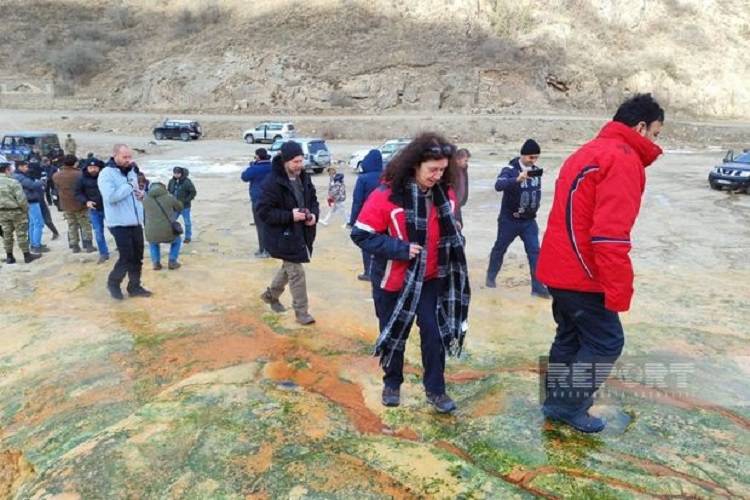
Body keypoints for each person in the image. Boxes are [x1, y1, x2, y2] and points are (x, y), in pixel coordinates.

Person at [538, 93, 665, 433]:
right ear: (640, 126)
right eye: (655, 133)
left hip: (558, 268)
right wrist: (618, 291)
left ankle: (555, 401)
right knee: (606, 341)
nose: (655, 141)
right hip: (582, 273)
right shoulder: (621, 158)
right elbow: (610, 236)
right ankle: (567, 407)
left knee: (570, 336)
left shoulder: (586, 151)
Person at [351, 133, 471, 413]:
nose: (438, 176)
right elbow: (361, 235)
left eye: (443, 170)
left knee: (435, 334)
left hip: (430, 279)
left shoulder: (447, 195)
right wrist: (399, 248)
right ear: (415, 165)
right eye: (432, 170)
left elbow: (453, 223)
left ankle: (436, 390)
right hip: (393, 281)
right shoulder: (386, 197)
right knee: (394, 334)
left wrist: (456, 235)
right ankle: (392, 383)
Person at [256, 141, 319, 325]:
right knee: (296, 272)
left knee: (289, 267)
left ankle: (270, 295)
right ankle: (302, 313)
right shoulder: (272, 182)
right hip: (282, 235)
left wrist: (313, 214)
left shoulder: (304, 177)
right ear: (285, 161)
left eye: (301, 161)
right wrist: (290, 216)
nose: (300, 165)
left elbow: (313, 199)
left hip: (301, 233)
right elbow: (263, 212)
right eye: (295, 162)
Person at [485, 139, 549, 298]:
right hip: (509, 220)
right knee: (500, 248)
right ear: (523, 155)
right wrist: (517, 179)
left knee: (535, 252)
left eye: (536, 158)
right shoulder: (509, 169)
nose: (533, 161)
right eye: (530, 157)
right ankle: (490, 277)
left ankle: (538, 288)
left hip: (528, 221)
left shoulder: (535, 170)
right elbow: (498, 186)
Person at [98, 144, 151, 300]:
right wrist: (129, 186)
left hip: (135, 221)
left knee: (138, 257)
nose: (129, 160)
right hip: (119, 223)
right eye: (125, 157)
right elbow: (111, 197)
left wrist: (141, 195)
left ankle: (134, 286)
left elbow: (134, 192)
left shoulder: (132, 171)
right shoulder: (106, 174)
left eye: (130, 157)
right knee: (126, 257)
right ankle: (113, 283)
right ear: (115, 156)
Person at [348, 149, 383, 281]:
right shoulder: (386, 176)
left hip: (366, 218)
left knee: (366, 245)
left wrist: (352, 221)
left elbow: (357, 201)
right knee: (381, 244)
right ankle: (380, 271)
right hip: (384, 217)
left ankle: (368, 272)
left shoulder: (363, 178)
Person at [0, 162, 41, 264]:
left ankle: (10, 257)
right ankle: (27, 256)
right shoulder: (13, 182)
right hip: (16, 211)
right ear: (7, 170)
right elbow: (21, 199)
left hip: (2, 213)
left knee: (6, 234)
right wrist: (25, 209)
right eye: (11, 169)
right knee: (21, 234)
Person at [53, 155, 95, 254]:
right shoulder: (80, 174)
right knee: (85, 224)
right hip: (80, 203)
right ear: (75, 163)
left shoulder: (56, 175)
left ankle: (75, 246)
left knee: (71, 225)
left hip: (66, 204)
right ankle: (88, 245)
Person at [143, 176, 183, 270]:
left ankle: (156, 263)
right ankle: (172, 261)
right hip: (168, 230)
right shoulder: (169, 197)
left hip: (151, 230)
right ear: (163, 188)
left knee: (153, 243)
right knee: (177, 241)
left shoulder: (145, 200)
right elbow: (179, 207)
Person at [75, 158, 109, 263]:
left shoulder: (106, 176)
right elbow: (77, 193)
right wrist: (86, 202)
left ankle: (123, 249)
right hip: (94, 210)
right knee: (98, 232)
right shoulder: (82, 178)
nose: (93, 169)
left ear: (99, 168)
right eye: (90, 168)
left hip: (109, 208)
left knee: (116, 230)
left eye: (95, 167)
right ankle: (103, 253)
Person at [240, 148, 273, 257]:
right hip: (273, 200)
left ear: (258, 157)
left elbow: (244, 177)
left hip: (259, 201)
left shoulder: (255, 168)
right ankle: (271, 249)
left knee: (261, 226)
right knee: (271, 225)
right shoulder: (272, 166)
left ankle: (264, 250)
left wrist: (253, 165)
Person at [12, 159, 47, 254]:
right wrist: (42, 182)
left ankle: (33, 243)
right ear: (20, 167)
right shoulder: (19, 176)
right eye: (25, 166)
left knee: (32, 223)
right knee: (38, 223)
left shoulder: (18, 175)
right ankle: (36, 245)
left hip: (28, 201)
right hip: (31, 201)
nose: (27, 168)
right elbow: (32, 185)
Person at [167, 166, 196, 243]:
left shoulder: (187, 182)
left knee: (187, 223)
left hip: (185, 206)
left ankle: (188, 237)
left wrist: (186, 200)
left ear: (181, 173)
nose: (176, 175)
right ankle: (171, 236)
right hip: (174, 206)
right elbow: (169, 191)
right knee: (171, 221)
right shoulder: (171, 181)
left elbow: (193, 192)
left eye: (178, 173)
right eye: (175, 173)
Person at [453, 148, 471, 226]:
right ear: (457, 160)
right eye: (465, 161)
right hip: (452, 204)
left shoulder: (463, 170)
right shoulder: (452, 172)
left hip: (458, 204)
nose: (466, 163)